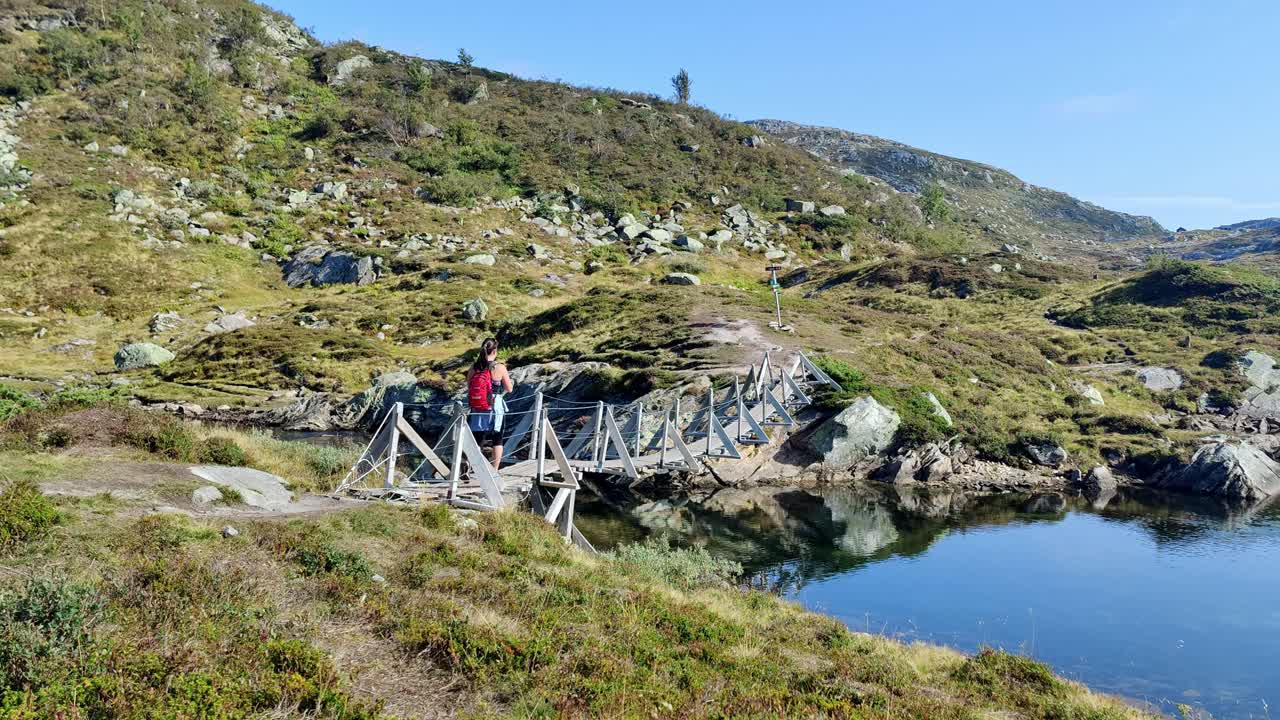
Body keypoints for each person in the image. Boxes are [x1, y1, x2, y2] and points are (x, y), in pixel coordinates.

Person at [466, 337, 513, 469]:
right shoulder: (499, 367)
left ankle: (470, 466)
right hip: (495, 405)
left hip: (478, 405)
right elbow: (509, 389)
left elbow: (469, 385)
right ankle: (494, 471)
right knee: (497, 438)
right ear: (495, 351)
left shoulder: (474, 367)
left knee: (477, 438)